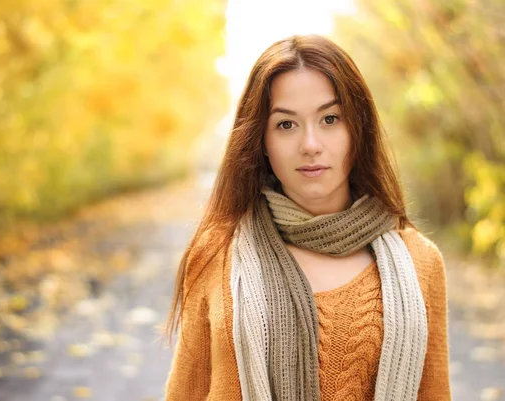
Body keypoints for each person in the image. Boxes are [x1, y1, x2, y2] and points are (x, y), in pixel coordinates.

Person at [163, 34, 451, 401]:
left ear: (357, 131)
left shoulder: (419, 262)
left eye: (330, 119)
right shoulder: (216, 254)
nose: (310, 144)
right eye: (286, 124)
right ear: (261, 141)